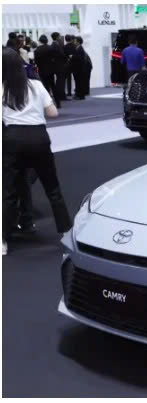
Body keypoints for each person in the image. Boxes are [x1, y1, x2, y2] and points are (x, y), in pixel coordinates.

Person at [2, 48, 72, 255]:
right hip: (40, 139)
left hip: (13, 140)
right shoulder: (37, 85)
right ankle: (66, 233)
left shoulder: (2, 88)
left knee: (8, 192)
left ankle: (3, 241)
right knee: (53, 189)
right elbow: (53, 113)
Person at [50, 32, 67, 102]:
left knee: (59, 81)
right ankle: (61, 96)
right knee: (60, 81)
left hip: (57, 66)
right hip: (59, 66)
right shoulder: (56, 45)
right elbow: (61, 55)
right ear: (56, 37)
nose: (60, 37)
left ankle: (60, 95)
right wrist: (67, 58)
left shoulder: (54, 44)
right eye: (59, 36)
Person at [63, 34, 76, 98]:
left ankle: (69, 92)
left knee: (67, 79)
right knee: (76, 78)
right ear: (71, 39)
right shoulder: (74, 46)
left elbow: (64, 56)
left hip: (67, 64)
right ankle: (76, 91)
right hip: (74, 64)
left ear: (65, 39)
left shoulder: (64, 47)